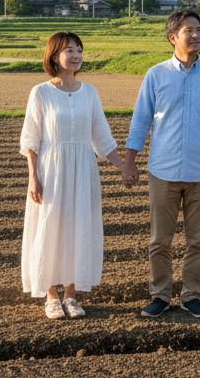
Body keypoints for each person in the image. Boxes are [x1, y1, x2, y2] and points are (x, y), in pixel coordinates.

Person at [122, 9, 200, 318]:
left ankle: (191, 295)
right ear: (173, 37)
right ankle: (160, 295)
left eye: (199, 29)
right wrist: (129, 161)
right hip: (163, 170)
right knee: (160, 240)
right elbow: (141, 120)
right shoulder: (155, 74)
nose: (196, 35)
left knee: (197, 240)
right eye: (189, 30)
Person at [19, 31, 124, 319]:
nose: (76, 55)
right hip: (50, 169)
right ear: (54, 56)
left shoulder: (89, 92)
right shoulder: (40, 92)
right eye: (69, 50)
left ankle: (71, 295)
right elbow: (31, 139)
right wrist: (33, 177)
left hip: (83, 170)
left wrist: (124, 166)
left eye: (79, 49)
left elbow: (102, 137)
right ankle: (50, 295)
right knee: (50, 226)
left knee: (79, 225)